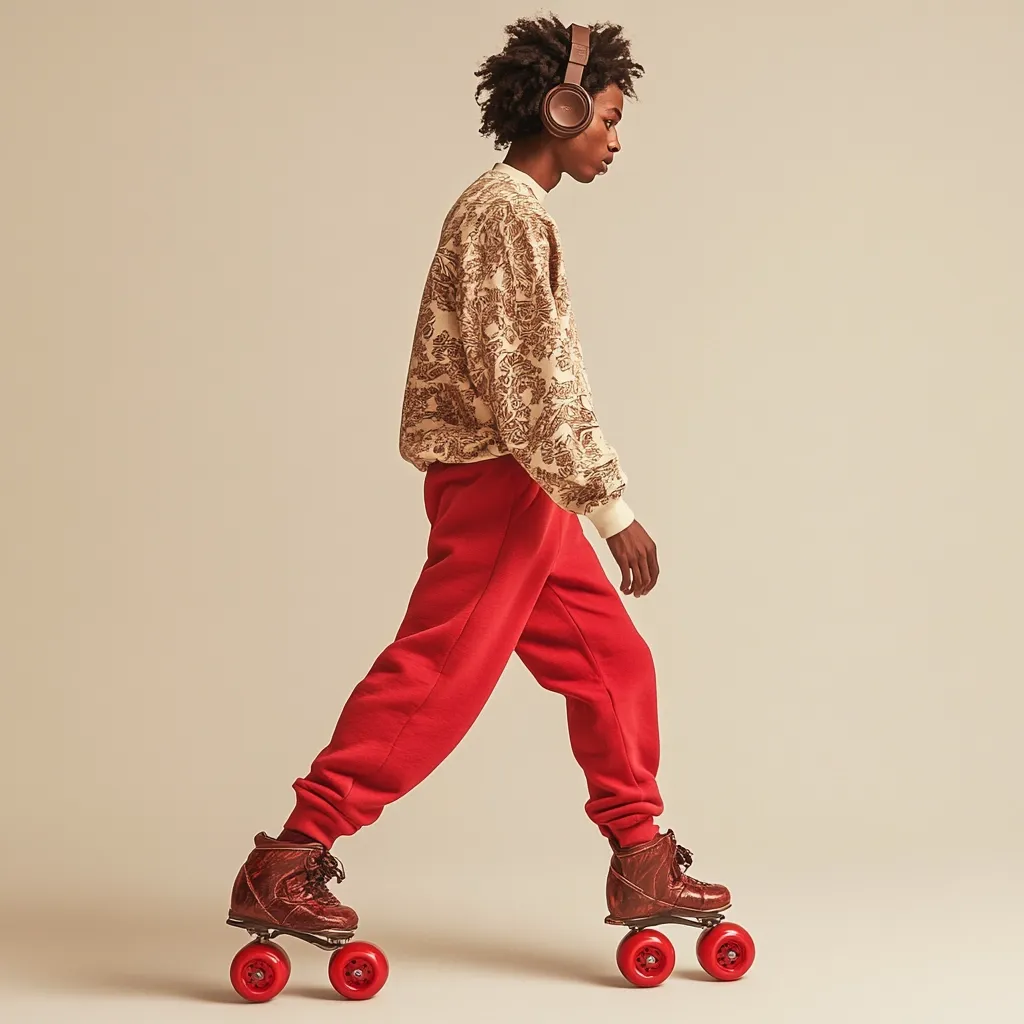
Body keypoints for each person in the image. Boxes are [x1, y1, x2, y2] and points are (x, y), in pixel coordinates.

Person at [229, 14, 731, 943]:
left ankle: (642, 862)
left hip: (525, 487)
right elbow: (529, 378)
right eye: (609, 118)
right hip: (502, 483)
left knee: (612, 661)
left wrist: (576, 496)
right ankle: (289, 860)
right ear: (563, 105)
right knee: (436, 679)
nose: (616, 141)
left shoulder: (516, 212)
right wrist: (611, 505)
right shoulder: (504, 210)